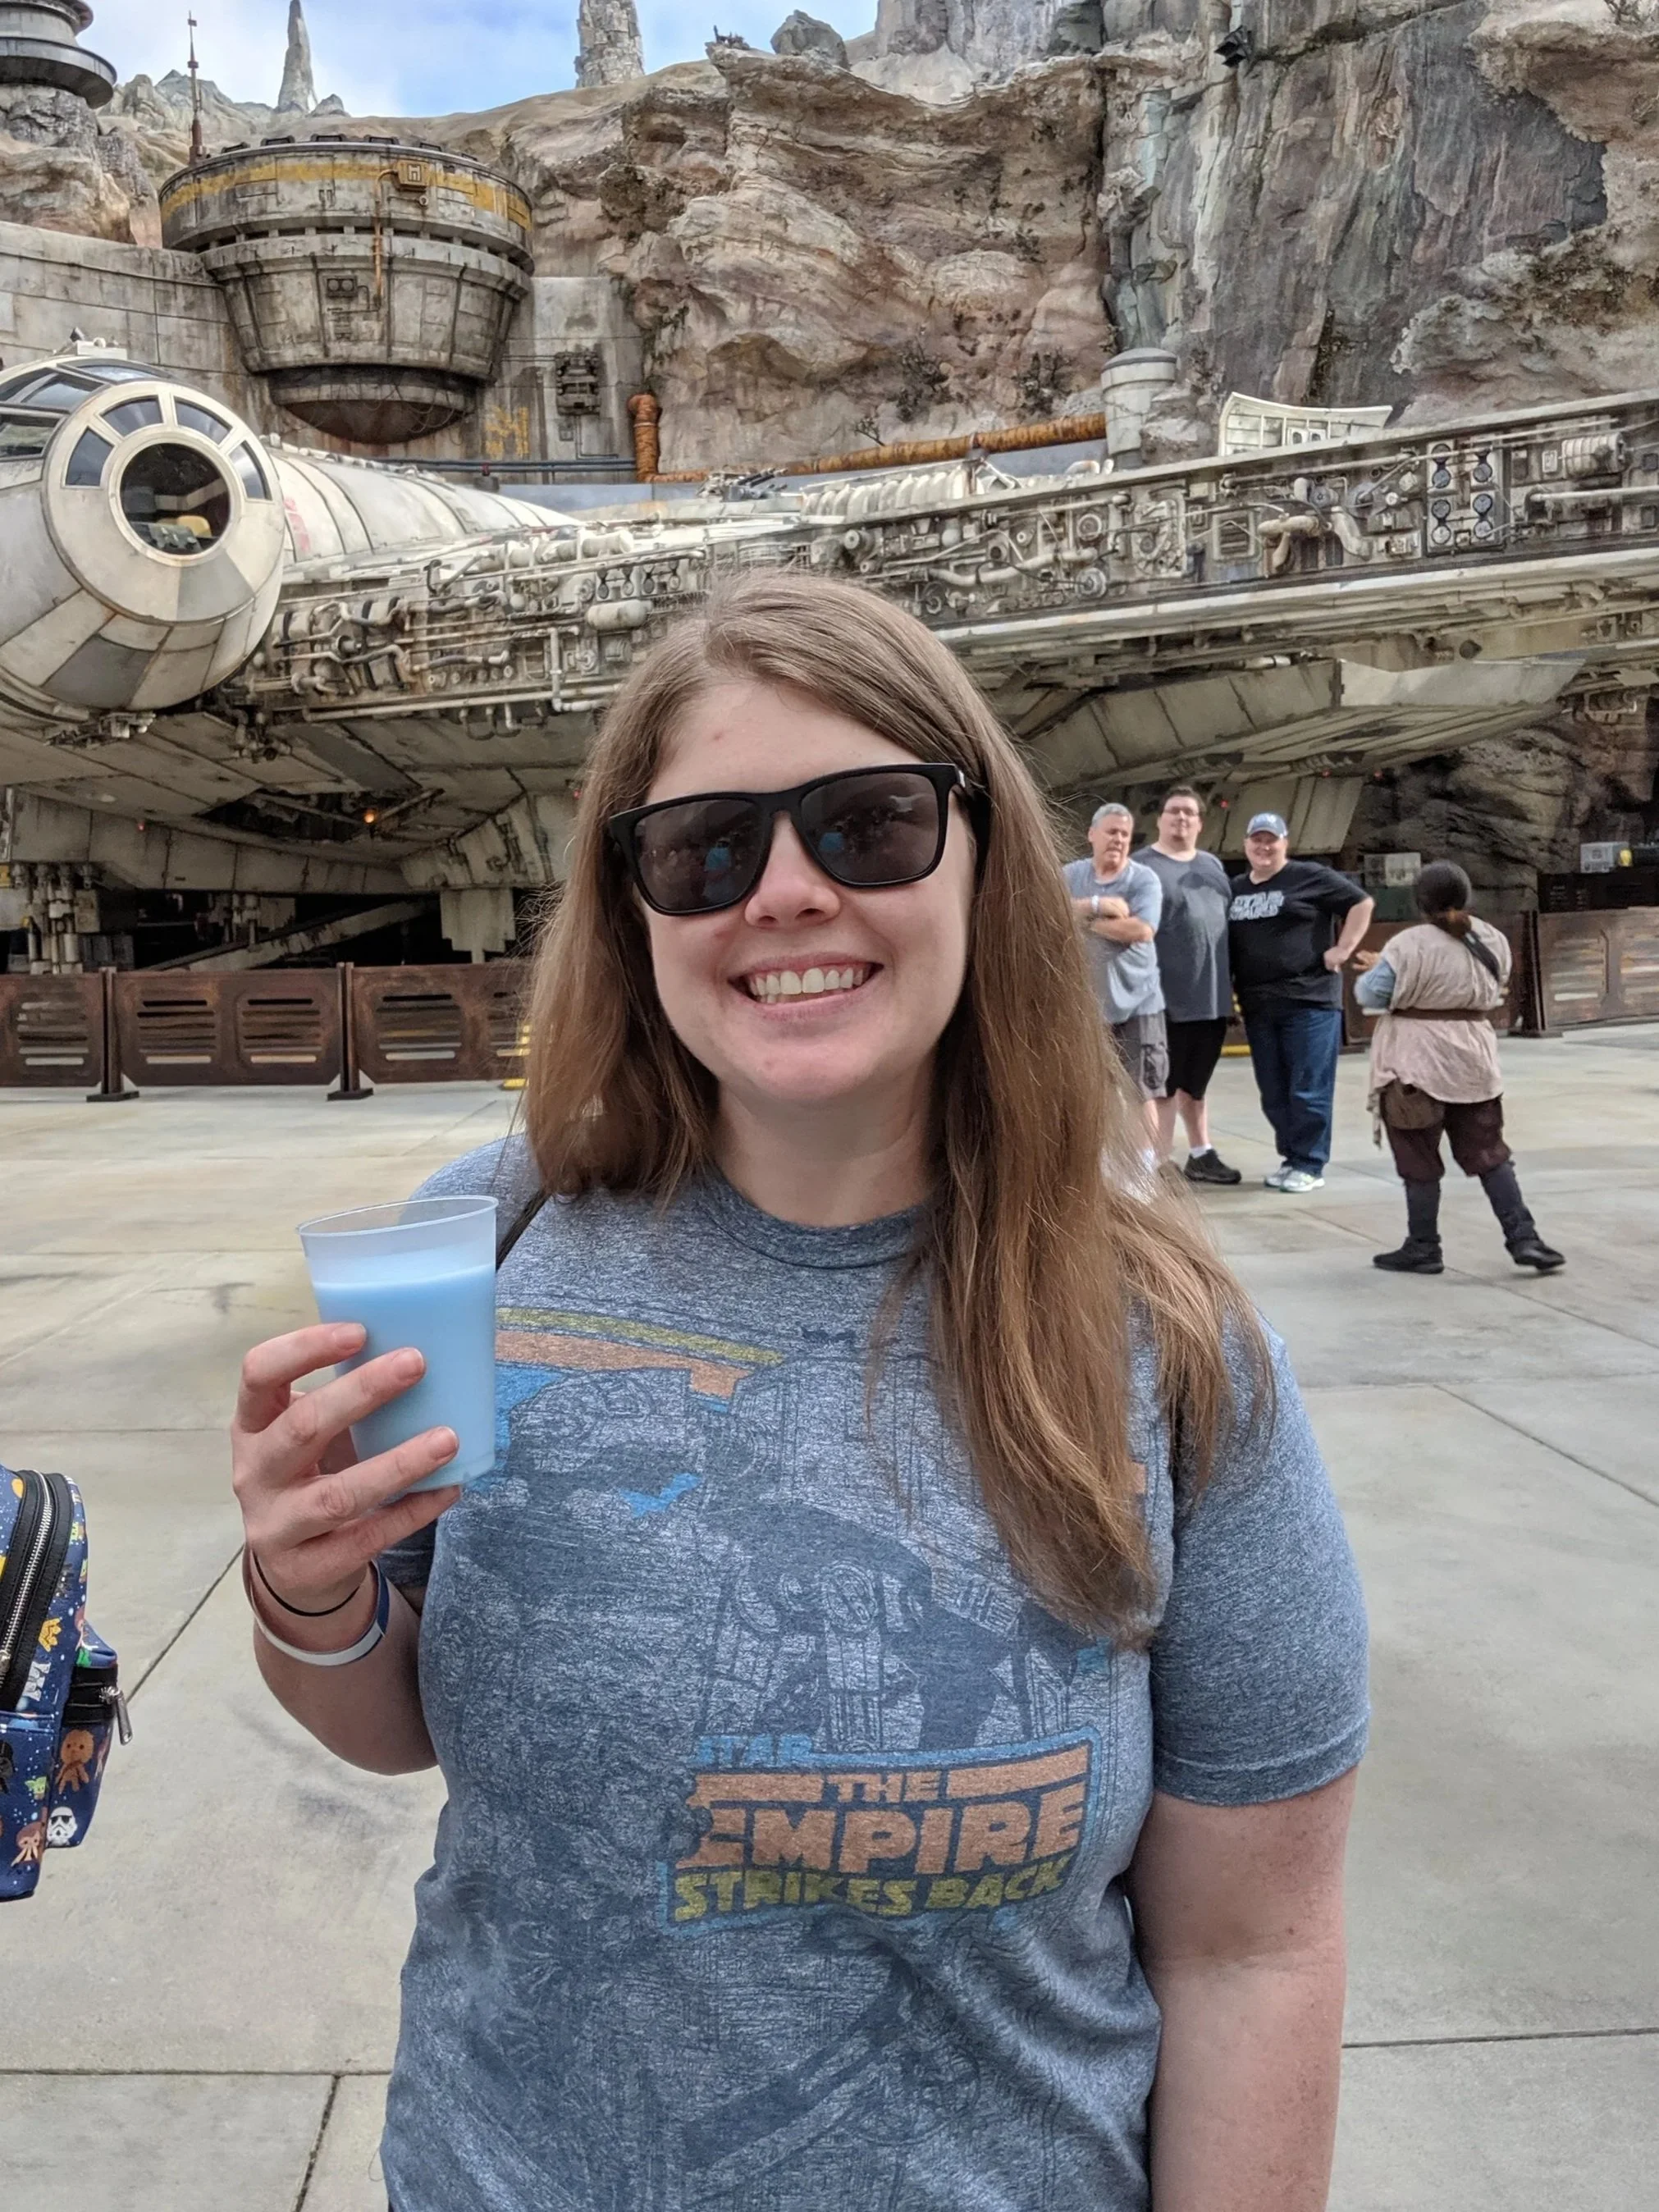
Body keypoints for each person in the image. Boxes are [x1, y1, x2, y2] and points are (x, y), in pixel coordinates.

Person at [230, 575, 1368, 2212]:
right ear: (632, 906)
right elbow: (394, 1719)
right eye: (705, 848)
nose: (783, 893)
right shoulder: (478, 1238)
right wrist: (308, 1586)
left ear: (981, 855)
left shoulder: (1169, 1341)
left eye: (868, 823)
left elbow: (1253, 1949)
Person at [1355, 861, 1564, 1274]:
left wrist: (1380, 968)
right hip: (1473, 1061)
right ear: (1466, 897)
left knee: (1418, 1157)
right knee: (1491, 1154)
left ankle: (1423, 1246)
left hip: (1415, 1062)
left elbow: (1371, 995)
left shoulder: (1408, 943)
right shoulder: (1492, 938)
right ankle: (1525, 1238)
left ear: (1420, 902)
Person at [1227, 812, 1374, 1193]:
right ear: (1246, 844)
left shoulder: (1309, 876)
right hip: (1258, 1004)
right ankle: (1292, 1158)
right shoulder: (1236, 888)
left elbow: (1361, 903)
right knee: (1273, 1092)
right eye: (1257, 839)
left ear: (1285, 843)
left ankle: (1310, 1163)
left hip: (1310, 1002)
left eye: (1271, 840)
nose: (1264, 847)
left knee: (1308, 1087)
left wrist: (1343, 949)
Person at [1135, 785, 1242, 1186]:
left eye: (1189, 813)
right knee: (1162, 1086)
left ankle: (1201, 1153)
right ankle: (1158, 1163)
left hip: (1210, 999)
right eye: (1174, 811)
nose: (1181, 818)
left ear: (1200, 823)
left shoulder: (1213, 866)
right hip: (1162, 999)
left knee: (1195, 1086)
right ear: (1160, 819)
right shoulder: (1141, 868)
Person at [1062, 801, 1167, 1131]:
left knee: (1141, 1093)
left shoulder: (1144, 880)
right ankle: (1103, 1157)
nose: (1118, 840)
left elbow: (1142, 930)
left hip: (1139, 1006)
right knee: (1092, 1090)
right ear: (1092, 835)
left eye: (1124, 834)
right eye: (1111, 832)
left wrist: (1086, 922)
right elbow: (1050, 913)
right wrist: (1098, 904)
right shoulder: (1071, 876)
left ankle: (1145, 1163)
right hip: (1087, 1008)